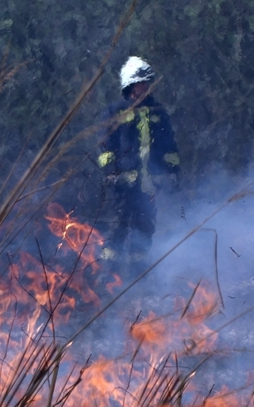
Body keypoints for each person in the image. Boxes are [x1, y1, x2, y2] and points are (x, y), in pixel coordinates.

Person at [97, 56, 180, 268]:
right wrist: (111, 172)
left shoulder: (159, 112)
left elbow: (169, 146)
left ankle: (138, 276)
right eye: (141, 82)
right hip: (123, 186)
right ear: (130, 84)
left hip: (149, 186)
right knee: (118, 228)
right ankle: (109, 277)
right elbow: (106, 146)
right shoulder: (115, 112)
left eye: (147, 82)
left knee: (144, 229)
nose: (146, 87)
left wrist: (172, 172)